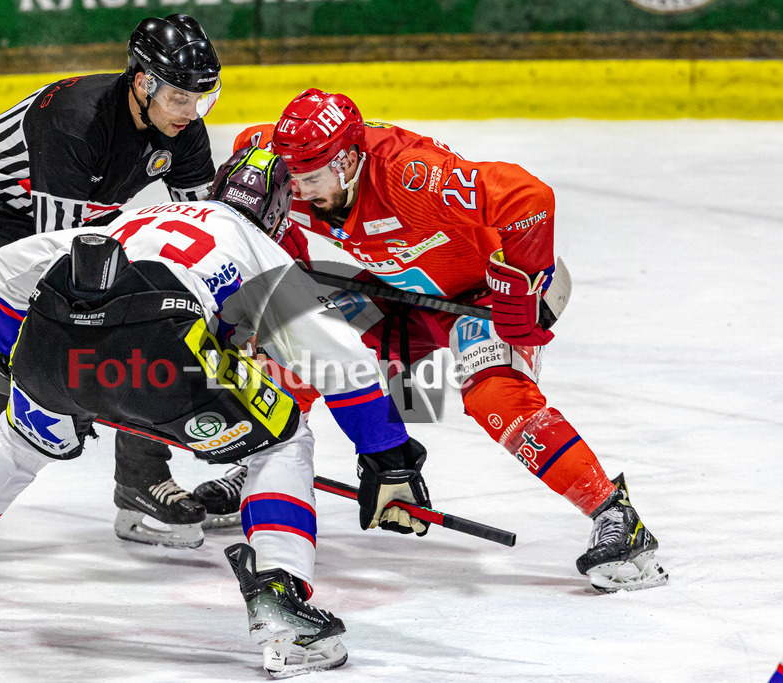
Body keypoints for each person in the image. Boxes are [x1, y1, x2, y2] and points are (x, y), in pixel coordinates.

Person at [0, 149, 432, 678]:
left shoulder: (135, 219)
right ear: (278, 212)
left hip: (55, 344)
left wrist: (9, 352)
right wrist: (388, 459)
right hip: (159, 364)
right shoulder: (258, 246)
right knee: (282, 440)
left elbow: (12, 262)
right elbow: (344, 362)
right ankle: (281, 604)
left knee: (18, 439)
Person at [229, 89, 668, 593]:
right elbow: (252, 190)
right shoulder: (278, 162)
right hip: (398, 295)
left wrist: (519, 291)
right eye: (294, 178)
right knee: (301, 342)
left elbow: (528, 197)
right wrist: (291, 262)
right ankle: (261, 469)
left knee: (495, 396)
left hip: (479, 294)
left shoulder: (412, 174)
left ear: (349, 161)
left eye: (312, 179)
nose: (300, 191)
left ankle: (615, 514)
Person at [0, 14, 226, 566]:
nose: (192, 114)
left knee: (157, 321)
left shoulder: (184, 132)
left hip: (76, 217)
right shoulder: (74, 120)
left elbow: (201, 232)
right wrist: (76, 385)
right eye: (182, 99)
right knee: (0, 349)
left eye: (203, 100)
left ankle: (141, 482)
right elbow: (48, 263)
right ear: (143, 82)